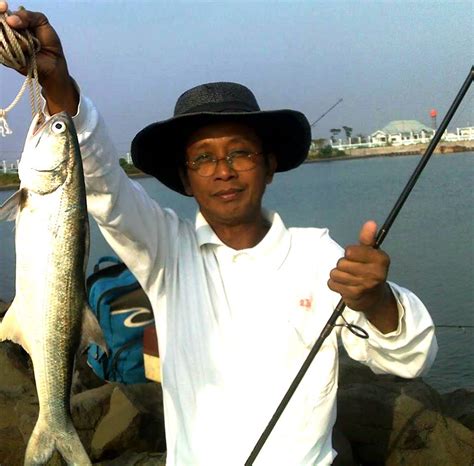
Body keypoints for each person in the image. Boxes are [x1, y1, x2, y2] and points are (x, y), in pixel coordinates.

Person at [1, 4, 437, 465]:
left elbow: (409, 359)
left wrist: (377, 301)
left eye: (241, 153)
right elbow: (103, 181)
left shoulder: (319, 257)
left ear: (269, 166)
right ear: (186, 180)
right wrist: (55, 82)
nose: (224, 171)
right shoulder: (165, 250)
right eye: (203, 159)